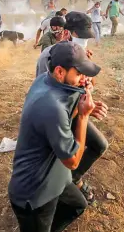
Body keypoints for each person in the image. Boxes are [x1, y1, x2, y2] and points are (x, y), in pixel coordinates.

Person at [9, 41, 100, 232]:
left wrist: (83, 101)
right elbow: (73, 161)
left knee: (77, 205)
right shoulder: (52, 107)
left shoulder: (44, 79)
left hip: (54, 176)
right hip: (35, 193)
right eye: (79, 73)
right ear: (60, 71)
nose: (84, 79)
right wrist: (84, 117)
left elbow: (66, 111)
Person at [36, 12, 109, 202]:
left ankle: (73, 179)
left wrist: (87, 81)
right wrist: (84, 112)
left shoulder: (80, 53)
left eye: (86, 37)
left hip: (74, 109)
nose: (84, 41)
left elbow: (86, 83)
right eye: (80, 36)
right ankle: (55, 190)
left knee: (99, 145)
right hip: (57, 113)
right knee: (62, 157)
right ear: (67, 32)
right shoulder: (49, 56)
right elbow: (49, 94)